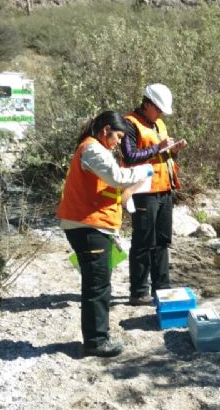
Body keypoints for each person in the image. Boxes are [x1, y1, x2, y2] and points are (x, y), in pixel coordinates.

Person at [56, 111, 154, 357]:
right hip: (88, 227)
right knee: (97, 286)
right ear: (105, 130)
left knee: (99, 281)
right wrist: (144, 171)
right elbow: (118, 177)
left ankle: (97, 336)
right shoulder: (92, 150)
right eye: (118, 137)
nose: (119, 142)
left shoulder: (96, 150)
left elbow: (112, 189)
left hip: (94, 225)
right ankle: (96, 341)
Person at [120, 83, 187, 306]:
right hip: (143, 191)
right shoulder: (129, 123)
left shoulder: (159, 123)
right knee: (143, 242)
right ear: (147, 104)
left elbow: (162, 156)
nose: (160, 114)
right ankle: (139, 292)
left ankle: (162, 288)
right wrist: (158, 147)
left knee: (162, 241)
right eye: (158, 109)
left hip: (164, 189)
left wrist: (173, 151)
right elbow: (129, 156)